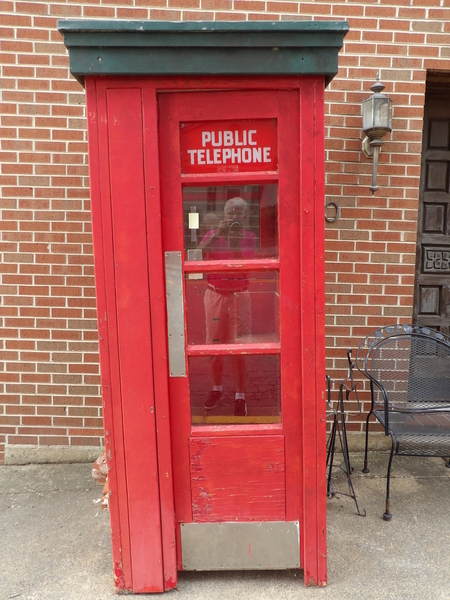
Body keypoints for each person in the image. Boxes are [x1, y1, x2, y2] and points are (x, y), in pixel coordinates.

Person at [198, 197, 256, 417]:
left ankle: (240, 394)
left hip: (240, 295)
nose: (233, 217)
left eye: (237, 213)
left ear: (244, 217)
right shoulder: (212, 235)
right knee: (214, 346)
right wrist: (218, 236)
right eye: (229, 213)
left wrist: (234, 242)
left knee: (239, 347)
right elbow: (197, 257)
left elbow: (245, 264)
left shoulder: (249, 237)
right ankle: (217, 388)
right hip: (215, 294)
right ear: (223, 216)